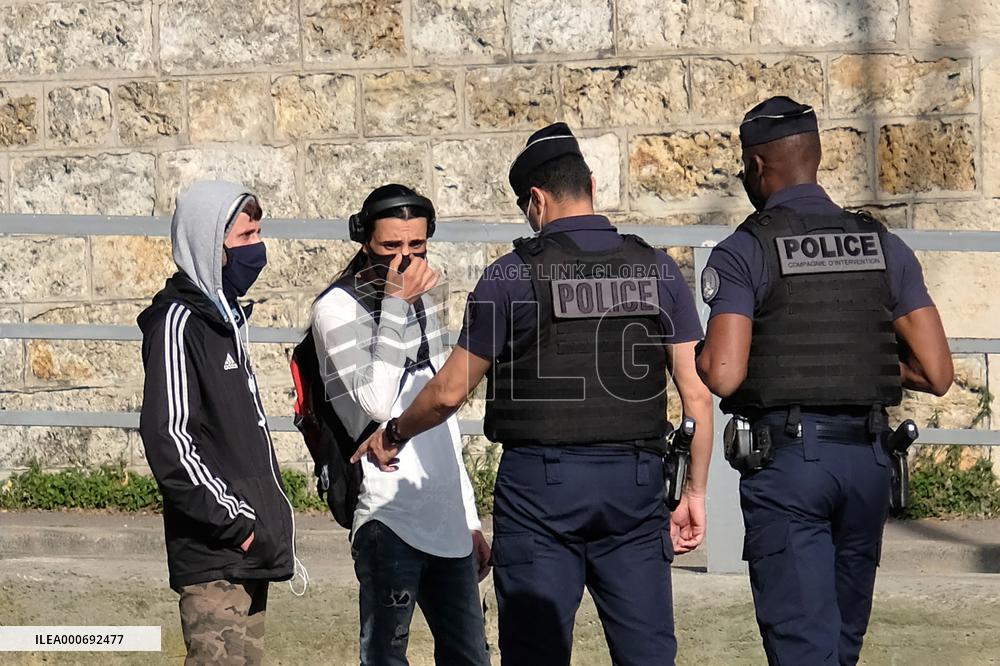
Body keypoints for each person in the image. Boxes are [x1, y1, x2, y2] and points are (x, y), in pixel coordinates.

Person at [354, 124, 714, 666]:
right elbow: (698, 398)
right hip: (635, 484)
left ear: (537, 201)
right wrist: (696, 492)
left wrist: (395, 433)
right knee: (647, 655)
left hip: (542, 491)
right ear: (591, 184)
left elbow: (451, 391)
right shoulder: (658, 269)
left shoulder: (510, 275)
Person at [696, 96, 954, 665]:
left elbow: (723, 372)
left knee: (802, 649)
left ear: (758, 167)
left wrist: (701, 356)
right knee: (840, 648)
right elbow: (937, 373)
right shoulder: (881, 243)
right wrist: (865, 365)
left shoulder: (746, 250)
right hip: (867, 463)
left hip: (789, 465)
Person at [311, 184, 490, 666]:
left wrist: (468, 516)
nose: (405, 260)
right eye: (391, 247)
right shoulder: (335, 308)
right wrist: (394, 305)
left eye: (417, 246)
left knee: (472, 656)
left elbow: (438, 405)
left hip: (445, 518)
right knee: (386, 658)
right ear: (364, 241)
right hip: (387, 515)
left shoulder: (425, 299)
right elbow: (376, 402)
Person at [138, 181, 304, 665]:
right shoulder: (178, 323)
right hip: (216, 555)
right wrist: (236, 521)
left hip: (247, 552)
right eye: (245, 238)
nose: (258, 249)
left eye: (258, 234)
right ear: (212, 246)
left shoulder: (225, 321)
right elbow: (169, 439)